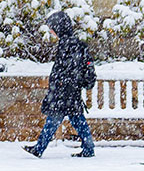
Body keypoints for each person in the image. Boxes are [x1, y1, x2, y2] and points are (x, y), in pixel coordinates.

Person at [24, 10, 97, 158]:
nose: (51, 32)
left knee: (54, 120)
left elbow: (66, 69)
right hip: (71, 91)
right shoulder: (74, 44)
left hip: (64, 91)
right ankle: (88, 148)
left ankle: (39, 148)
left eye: (52, 28)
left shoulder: (67, 45)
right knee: (76, 120)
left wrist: (59, 85)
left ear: (59, 28)